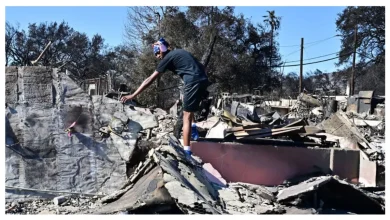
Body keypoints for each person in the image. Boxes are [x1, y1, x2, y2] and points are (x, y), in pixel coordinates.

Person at [120, 38, 209, 156]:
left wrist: (133, 94)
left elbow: (150, 79)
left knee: (186, 116)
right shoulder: (180, 53)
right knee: (188, 107)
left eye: (158, 52)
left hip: (192, 82)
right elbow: (202, 66)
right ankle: (193, 130)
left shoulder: (168, 57)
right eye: (155, 54)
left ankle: (187, 152)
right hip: (203, 80)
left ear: (162, 50)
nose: (157, 56)